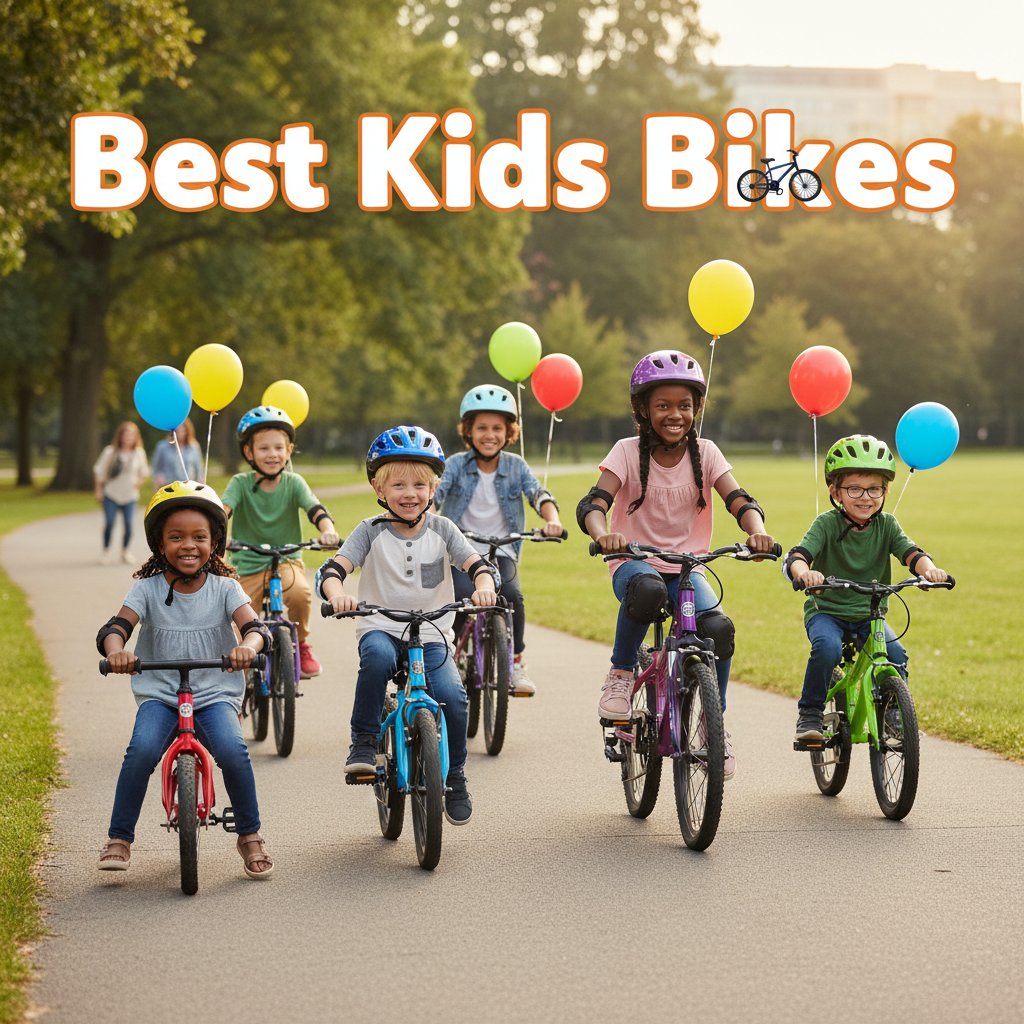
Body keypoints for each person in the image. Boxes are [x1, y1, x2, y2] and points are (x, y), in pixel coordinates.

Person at [578, 350, 774, 780]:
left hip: (688, 568)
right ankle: (621, 673)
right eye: (663, 405)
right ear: (643, 409)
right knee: (646, 592)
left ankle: (712, 724)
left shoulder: (706, 453)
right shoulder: (626, 452)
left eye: (684, 405)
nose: (674, 414)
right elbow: (594, 503)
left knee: (718, 629)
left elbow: (739, 499)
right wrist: (602, 534)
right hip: (634, 563)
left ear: (696, 409)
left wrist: (756, 530)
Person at [317, 426, 497, 825]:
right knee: (378, 660)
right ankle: (363, 743)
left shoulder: (444, 529)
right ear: (379, 489)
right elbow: (332, 570)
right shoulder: (370, 530)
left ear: (434, 488)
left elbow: (479, 567)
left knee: (452, 695)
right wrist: (336, 593)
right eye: (398, 484)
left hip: (432, 633)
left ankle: (454, 777)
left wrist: (484, 587)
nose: (410, 492)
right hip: (381, 626)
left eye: (419, 483)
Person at [95, 481, 276, 878]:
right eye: (176, 537)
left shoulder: (226, 588)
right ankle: (119, 838)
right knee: (141, 751)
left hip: (214, 693)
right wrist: (116, 652)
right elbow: (116, 627)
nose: (188, 545)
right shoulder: (145, 589)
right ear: (160, 545)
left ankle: (249, 834)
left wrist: (248, 644)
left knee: (233, 751)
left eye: (199, 537)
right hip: (160, 694)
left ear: (215, 542)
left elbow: (257, 628)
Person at [784, 434, 948, 742]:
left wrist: (930, 571)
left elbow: (912, 553)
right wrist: (805, 573)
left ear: (885, 491)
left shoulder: (887, 525)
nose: (865, 497)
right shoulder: (826, 524)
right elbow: (797, 556)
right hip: (827, 612)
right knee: (827, 648)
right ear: (835, 491)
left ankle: (894, 715)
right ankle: (810, 713)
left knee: (896, 653)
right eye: (854, 489)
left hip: (870, 614)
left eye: (874, 489)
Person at [433, 385, 563, 696]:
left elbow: (538, 494)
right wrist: (426, 515)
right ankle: (454, 655)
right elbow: (435, 495)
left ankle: (516, 662)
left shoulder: (516, 466)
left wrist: (552, 520)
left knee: (512, 597)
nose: (489, 435)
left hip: (502, 550)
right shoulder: (454, 464)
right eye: (481, 428)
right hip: (461, 550)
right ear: (468, 431)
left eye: (497, 428)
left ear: (509, 432)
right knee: (464, 596)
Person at [222, 406, 339, 679]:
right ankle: (237, 681)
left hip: (285, 560)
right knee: (238, 616)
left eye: (279, 447)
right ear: (249, 453)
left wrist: (328, 531)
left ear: (289, 451)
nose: (272, 454)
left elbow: (316, 510)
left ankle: (301, 644)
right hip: (245, 563)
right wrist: (218, 534)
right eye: (263, 448)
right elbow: (222, 512)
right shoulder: (239, 483)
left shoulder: (294, 483)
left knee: (300, 594)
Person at [94, 421, 150, 565]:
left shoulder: (138, 453)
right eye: (126, 434)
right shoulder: (110, 452)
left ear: (135, 437)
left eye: (131, 434)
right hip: (111, 493)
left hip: (129, 495)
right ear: (120, 436)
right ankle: (106, 551)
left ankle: (125, 551)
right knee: (110, 523)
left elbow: (144, 471)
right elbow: (99, 472)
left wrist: (139, 483)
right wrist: (99, 490)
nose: (128, 437)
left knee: (129, 524)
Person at [151, 418, 203, 488]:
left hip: (188, 488)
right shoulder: (162, 447)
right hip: (168, 488)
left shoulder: (193, 447)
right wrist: (159, 479)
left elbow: (199, 469)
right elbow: (156, 467)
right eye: (178, 428)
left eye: (183, 428)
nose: (180, 431)